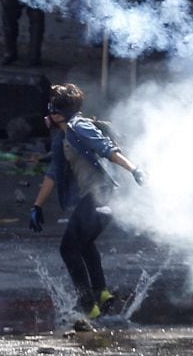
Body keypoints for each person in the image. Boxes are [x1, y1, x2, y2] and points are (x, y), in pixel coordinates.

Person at [29, 83, 147, 322]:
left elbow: (107, 149)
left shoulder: (78, 126)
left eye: (50, 109)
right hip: (92, 198)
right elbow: (53, 174)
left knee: (67, 248)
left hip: (101, 195)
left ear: (57, 113)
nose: (46, 115)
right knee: (83, 244)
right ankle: (101, 293)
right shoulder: (61, 138)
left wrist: (134, 169)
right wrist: (37, 206)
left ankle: (87, 305)